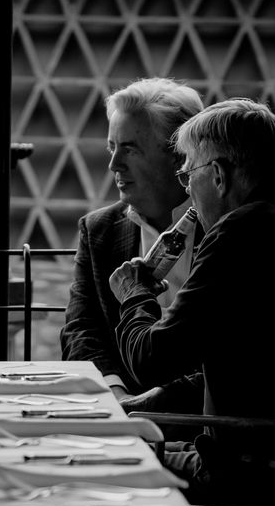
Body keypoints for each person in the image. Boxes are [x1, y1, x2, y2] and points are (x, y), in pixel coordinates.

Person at [110, 98, 275, 506]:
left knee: (99, 458)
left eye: (188, 175)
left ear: (219, 175)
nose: (188, 192)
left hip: (242, 474)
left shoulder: (238, 233)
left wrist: (134, 294)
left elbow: (151, 359)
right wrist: (161, 399)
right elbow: (262, 361)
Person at [60, 77, 204, 408]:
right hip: (117, 410)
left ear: (178, 155)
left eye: (129, 149)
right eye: (112, 147)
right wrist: (118, 398)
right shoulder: (99, 229)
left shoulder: (225, 225)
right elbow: (81, 331)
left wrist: (162, 403)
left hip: (201, 418)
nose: (114, 164)